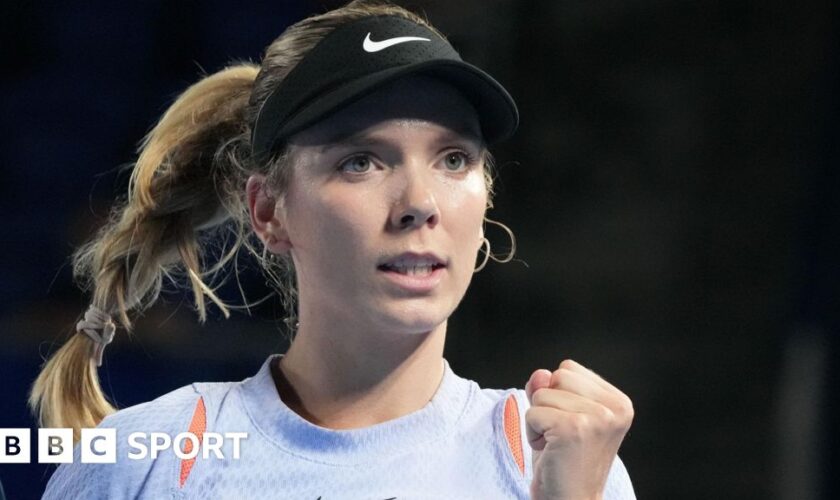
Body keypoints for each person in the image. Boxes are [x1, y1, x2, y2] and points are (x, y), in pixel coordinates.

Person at [31, 1, 636, 498]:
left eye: (454, 158)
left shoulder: (559, 461)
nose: (419, 202)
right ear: (270, 210)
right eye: (361, 161)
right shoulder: (148, 462)